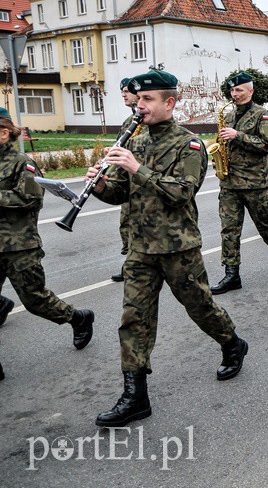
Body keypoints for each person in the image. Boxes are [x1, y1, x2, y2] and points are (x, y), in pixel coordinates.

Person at [87, 71, 247, 427]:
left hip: (177, 247)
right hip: (141, 248)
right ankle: (135, 395)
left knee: (200, 307)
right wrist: (100, 185)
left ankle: (232, 343)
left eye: (147, 100)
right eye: (137, 100)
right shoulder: (134, 142)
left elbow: (180, 193)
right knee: (134, 319)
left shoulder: (188, 145)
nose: (138, 106)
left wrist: (136, 167)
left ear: (169, 103)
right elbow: (120, 194)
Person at [0, 110, 95, 362]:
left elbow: (30, 198)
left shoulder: (22, 162)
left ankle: (78, 318)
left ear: (4, 132)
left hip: (18, 246)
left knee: (34, 300)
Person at [210, 72, 268, 295]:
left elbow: (267, 145)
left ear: (250, 92)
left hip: (254, 183)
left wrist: (238, 136)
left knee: (265, 226)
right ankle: (232, 274)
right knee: (229, 229)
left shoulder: (261, 115)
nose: (234, 94)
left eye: (239, 90)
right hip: (229, 183)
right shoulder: (229, 115)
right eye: (232, 91)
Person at [112, 78, 141, 283]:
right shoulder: (128, 123)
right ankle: (129, 263)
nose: (123, 95)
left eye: (126, 91)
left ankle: (134, 266)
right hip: (127, 182)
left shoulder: (147, 122)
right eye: (121, 91)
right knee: (126, 223)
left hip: (143, 180)